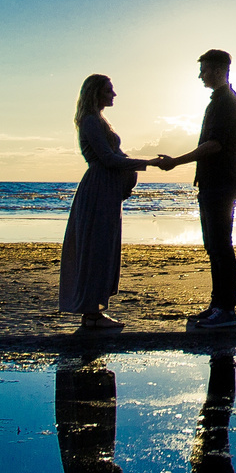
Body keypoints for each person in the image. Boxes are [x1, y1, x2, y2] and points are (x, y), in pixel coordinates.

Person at [149, 48, 236, 327]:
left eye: (203, 70)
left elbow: (214, 145)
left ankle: (226, 309)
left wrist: (176, 162)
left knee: (220, 245)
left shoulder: (226, 103)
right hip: (214, 181)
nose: (200, 76)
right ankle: (218, 305)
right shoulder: (220, 101)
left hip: (221, 182)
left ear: (217, 70)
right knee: (214, 245)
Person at [59, 73, 149, 330]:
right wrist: (148, 163)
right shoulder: (90, 121)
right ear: (96, 92)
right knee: (95, 248)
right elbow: (108, 159)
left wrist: (131, 172)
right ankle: (91, 313)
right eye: (109, 90)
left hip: (108, 189)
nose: (114, 94)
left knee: (105, 248)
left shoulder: (100, 121)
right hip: (99, 188)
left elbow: (118, 155)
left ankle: (95, 310)